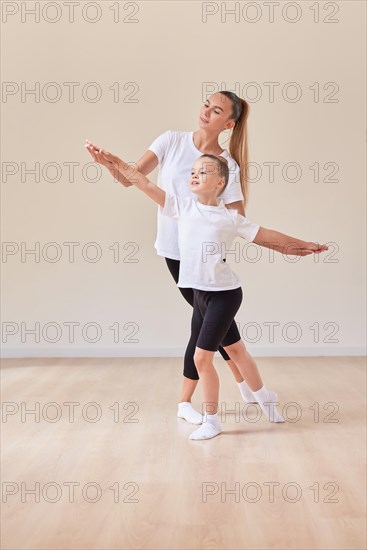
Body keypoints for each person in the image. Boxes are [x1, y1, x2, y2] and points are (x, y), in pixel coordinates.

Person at [84, 149, 328, 440]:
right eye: (193, 172)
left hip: (225, 295)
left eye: (203, 172)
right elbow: (142, 182)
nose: (195, 175)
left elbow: (269, 237)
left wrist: (303, 246)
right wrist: (112, 160)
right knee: (236, 350)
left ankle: (212, 420)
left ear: (220, 183)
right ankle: (265, 397)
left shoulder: (230, 218)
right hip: (200, 295)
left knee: (202, 359)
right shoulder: (181, 207)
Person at [85, 91, 272, 425]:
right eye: (206, 104)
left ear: (227, 124)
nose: (206, 112)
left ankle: (191, 400)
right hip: (175, 252)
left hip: (205, 259)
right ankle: (247, 386)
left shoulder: (227, 165)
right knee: (213, 325)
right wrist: (110, 163)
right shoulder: (171, 141)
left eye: (216, 111)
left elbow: (237, 216)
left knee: (206, 325)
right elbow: (131, 179)